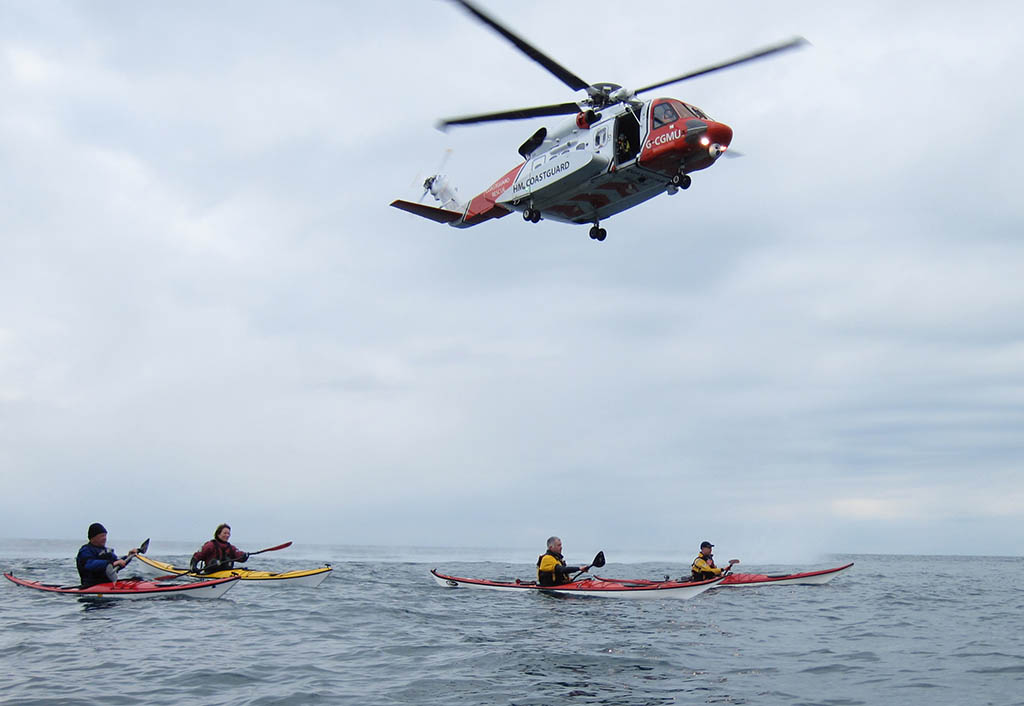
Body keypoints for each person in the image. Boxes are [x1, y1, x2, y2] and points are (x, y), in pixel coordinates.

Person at [76, 523, 139, 587]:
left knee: (137, 579)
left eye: (105, 536)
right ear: (93, 538)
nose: (104, 538)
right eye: (101, 536)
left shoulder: (107, 551)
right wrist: (111, 563)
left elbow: (118, 563)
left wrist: (129, 556)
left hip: (108, 584)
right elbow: (90, 565)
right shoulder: (85, 550)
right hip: (92, 585)